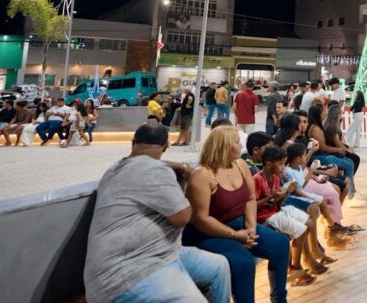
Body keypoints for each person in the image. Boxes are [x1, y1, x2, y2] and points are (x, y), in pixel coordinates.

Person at [84, 123, 231, 303]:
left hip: (164, 253)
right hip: (128, 272)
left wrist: (179, 166)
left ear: (133, 143)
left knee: (219, 266)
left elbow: (145, 163)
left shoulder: (114, 169)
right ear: (167, 146)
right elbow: (182, 217)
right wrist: (190, 179)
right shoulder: (155, 171)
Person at [183, 126, 290, 303]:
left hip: (239, 224)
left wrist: (251, 227)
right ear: (224, 146)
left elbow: (249, 199)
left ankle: (279, 299)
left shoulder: (241, 165)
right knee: (244, 262)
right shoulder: (202, 175)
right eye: (237, 142)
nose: (241, 146)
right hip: (208, 233)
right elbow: (200, 219)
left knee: (280, 245)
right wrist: (235, 235)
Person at [253, 145, 329, 286]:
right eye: (281, 163)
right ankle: (294, 267)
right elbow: (253, 205)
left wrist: (287, 191)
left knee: (309, 223)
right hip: (264, 216)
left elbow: (278, 204)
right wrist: (271, 196)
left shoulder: (276, 178)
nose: (283, 167)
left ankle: (298, 264)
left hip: (276, 210)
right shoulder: (257, 179)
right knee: (300, 231)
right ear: (269, 165)